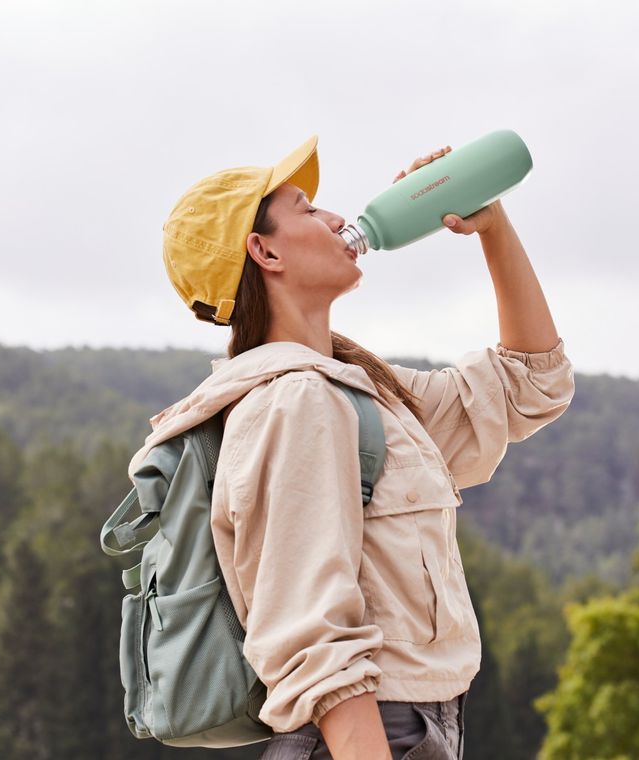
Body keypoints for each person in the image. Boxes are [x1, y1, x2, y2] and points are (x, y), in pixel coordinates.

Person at [148, 135, 575, 759]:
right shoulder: (295, 403)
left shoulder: (362, 391)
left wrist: (492, 223)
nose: (336, 218)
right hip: (367, 735)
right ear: (264, 251)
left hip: (409, 728)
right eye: (305, 209)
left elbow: (531, 384)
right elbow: (312, 636)